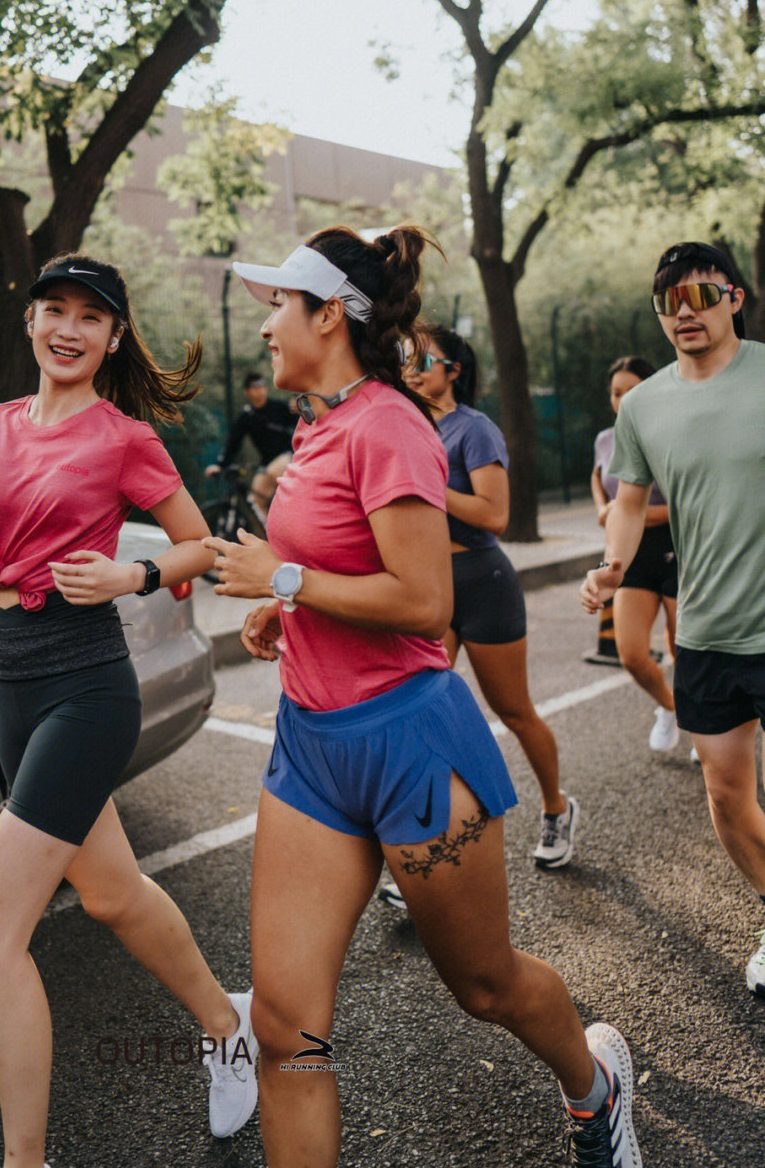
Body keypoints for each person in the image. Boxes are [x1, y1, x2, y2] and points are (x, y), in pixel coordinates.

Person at [207, 225, 639, 1168]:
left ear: (330, 314)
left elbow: (424, 600)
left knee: (483, 986)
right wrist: (292, 613)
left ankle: (595, 1085)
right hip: (310, 748)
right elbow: (337, 569)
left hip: (409, 743)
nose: (267, 323)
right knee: (284, 1025)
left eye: (280, 304)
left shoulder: (391, 422)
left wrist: (284, 581)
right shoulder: (319, 423)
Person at [0, 254, 258, 1168]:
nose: (69, 328)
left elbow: (200, 548)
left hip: (88, 684)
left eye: (90, 317)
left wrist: (129, 574)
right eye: (53, 309)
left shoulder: (122, 436)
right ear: (30, 322)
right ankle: (230, 1023)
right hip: (10, 679)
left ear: (112, 338)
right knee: (107, 891)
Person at [581, 240, 765, 1000]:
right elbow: (628, 502)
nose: (682, 314)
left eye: (699, 296)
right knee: (725, 793)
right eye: (667, 302)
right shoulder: (646, 404)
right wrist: (613, 563)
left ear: (735, 297)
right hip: (709, 631)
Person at [406, 324, 577, 869]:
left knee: (514, 711)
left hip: (482, 580)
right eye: (405, 358)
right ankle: (430, 846)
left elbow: (495, 515)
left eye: (424, 360)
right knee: (423, 711)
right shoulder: (403, 425)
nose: (411, 368)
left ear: (453, 371)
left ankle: (556, 807)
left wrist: (431, 487)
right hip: (430, 582)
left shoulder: (473, 429)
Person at [591, 355, 680, 753]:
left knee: (685, 651)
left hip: (678, 547)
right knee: (631, 655)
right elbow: (600, 478)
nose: (623, 399)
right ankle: (672, 708)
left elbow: (682, 504)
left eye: (632, 390)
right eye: (616, 392)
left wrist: (629, 513)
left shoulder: (672, 433)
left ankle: (707, 729)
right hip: (632, 554)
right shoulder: (606, 439)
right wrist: (602, 509)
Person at [205, 370, 296, 519]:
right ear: (247, 392)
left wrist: (301, 408)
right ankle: (269, 536)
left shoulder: (279, 407)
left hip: (289, 457)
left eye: (262, 386)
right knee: (255, 499)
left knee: (274, 473)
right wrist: (220, 465)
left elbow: (304, 420)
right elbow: (233, 441)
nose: (260, 391)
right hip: (267, 463)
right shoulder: (247, 416)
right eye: (255, 387)